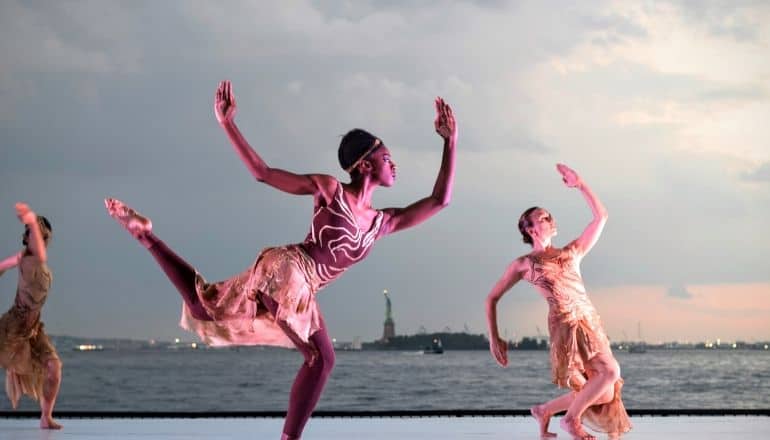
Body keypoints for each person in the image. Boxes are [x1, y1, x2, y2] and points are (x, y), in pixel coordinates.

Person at [105, 80, 457, 439]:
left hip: (301, 284)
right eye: (386, 159)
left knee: (202, 307)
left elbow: (439, 200)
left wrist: (450, 141)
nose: (394, 165)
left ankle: (145, 235)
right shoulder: (330, 189)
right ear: (365, 165)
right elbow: (264, 173)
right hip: (288, 270)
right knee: (321, 359)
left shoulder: (381, 221)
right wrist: (228, 125)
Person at [485, 164, 631, 439]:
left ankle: (545, 410)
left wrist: (581, 185)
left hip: (589, 321)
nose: (550, 219)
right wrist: (495, 337)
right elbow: (492, 298)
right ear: (529, 229)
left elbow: (601, 216)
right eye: (543, 217)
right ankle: (570, 420)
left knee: (605, 391)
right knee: (610, 372)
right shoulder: (524, 264)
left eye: (550, 216)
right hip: (566, 325)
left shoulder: (572, 251)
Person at [0, 202, 62, 429]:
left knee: (54, 369)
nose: (39, 239)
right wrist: (30, 219)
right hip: (12, 327)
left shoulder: (41, 264)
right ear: (27, 239)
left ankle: (46, 417)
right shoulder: (26, 258)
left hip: (33, 329)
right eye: (35, 234)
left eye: (44, 236)